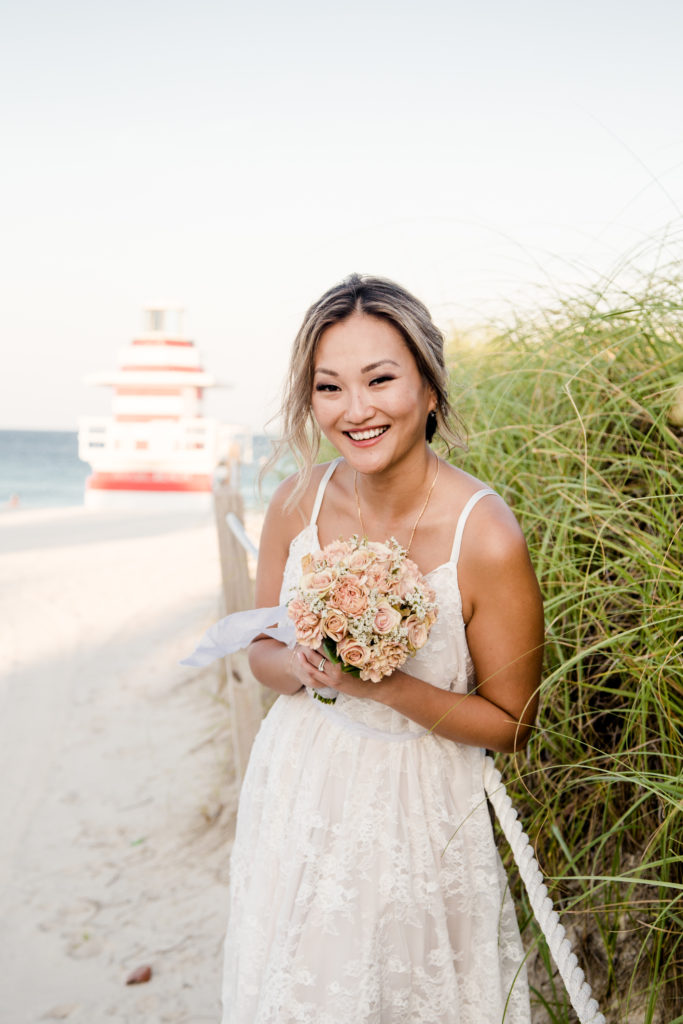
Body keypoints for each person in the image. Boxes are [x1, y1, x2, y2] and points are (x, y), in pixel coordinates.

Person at [221, 274, 544, 1024]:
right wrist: (300, 666)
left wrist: (382, 685)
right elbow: (258, 654)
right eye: (329, 387)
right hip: (298, 783)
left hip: (417, 808)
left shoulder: (485, 534)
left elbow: (512, 723)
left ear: (428, 388)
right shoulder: (296, 500)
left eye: (380, 379)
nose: (355, 410)